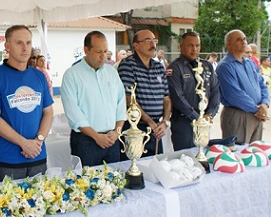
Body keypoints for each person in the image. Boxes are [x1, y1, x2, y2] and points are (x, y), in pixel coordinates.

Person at [0, 25, 53, 183]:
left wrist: (38, 141)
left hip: (38, 156)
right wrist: (24, 144)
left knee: (42, 204)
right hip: (8, 161)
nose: (25, 48)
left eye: (28, 43)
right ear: (7, 46)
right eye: (19, 43)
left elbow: (48, 112)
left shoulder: (39, 76)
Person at [61, 31, 126, 166]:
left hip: (112, 139)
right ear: (86, 50)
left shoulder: (112, 72)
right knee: (86, 184)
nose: (103, 56)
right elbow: (73, 112)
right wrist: (97, 137)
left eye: (105, 51)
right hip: (86, 142)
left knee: (113, 183)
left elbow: (121, 104)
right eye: (98, 52)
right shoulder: (72, 75)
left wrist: (117, 132)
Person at [117, 29, 171, 157]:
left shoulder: (158, 66)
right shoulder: (127, 65)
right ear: (135, 46)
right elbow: (128, 98)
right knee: (135, 168)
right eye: (148, 41)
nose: (153, 44)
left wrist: (165, 121)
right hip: (135, 128)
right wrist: (149, 121)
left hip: (156, 128)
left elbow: (167, 97)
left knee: (155, 167)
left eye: (154, 40)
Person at [167, 32, 220, 151]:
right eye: (190, 45)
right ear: (181, 47)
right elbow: (177, 97)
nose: (194, 49)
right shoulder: (174, 68)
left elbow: (215, 91)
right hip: (184, 122)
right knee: (186, 158)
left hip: (204, 122)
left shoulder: (207, 66)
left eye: (197, 45)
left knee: (203, 156)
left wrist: (210, 113)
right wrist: (196, 117)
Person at [216, 29, 269, 144]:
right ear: (229, 44)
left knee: (255, 154)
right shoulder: (225, 67)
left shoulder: (250, 63)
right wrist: (258, 110)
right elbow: (234, 95)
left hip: (256, 115)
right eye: (239, 39)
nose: (243, 41)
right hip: (238, 116)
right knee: (238, 155)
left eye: (244, 39)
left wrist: (265, 104)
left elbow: (262, 84)